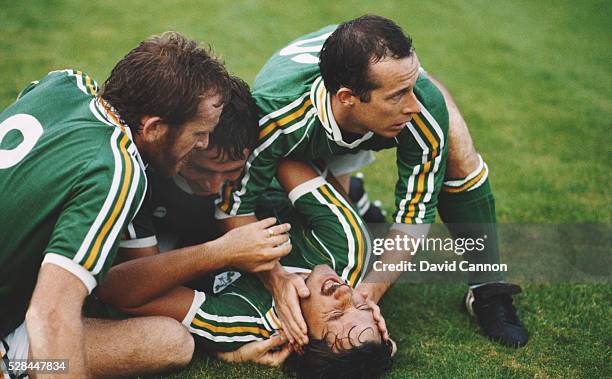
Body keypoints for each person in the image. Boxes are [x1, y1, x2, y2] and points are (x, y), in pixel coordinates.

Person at [215, 15, 528, 348]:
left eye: (413, 85)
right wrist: (275, 277)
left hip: (352, 115)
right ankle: (356, 197)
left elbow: (415, 214)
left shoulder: (420, 105)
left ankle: (488, 287)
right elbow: (235, 206)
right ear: (348, 96)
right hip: (308, 130)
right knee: (287, 191)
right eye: (398, 95)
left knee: (459, 152)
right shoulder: (273, 116)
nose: (415, 105)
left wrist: (373, 288)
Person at [0, 32, 290, 379]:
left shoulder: (63, 83)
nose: (203, 144)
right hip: (12, 324)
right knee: (157, 340)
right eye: (199, 134)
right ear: (153, 128)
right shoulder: (119, 169)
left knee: (165, 338)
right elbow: (50, 313)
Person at [98, 156, 395, 378]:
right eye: (363, 307)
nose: (346, 294)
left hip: (187, 218)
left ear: (300, 341)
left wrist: (221, 253)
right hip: (251, 171)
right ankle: (355, 194)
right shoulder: (347, 247)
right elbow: (284, 153)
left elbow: (117, 290)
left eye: (336, 312)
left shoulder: (243, 320)